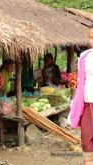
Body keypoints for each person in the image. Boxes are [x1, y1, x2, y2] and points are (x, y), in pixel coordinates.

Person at [69, 25, 93, 165]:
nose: (90, 41)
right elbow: (81, 81)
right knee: (86, 138)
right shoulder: (85, 57)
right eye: (89, 37)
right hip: (87, 103)